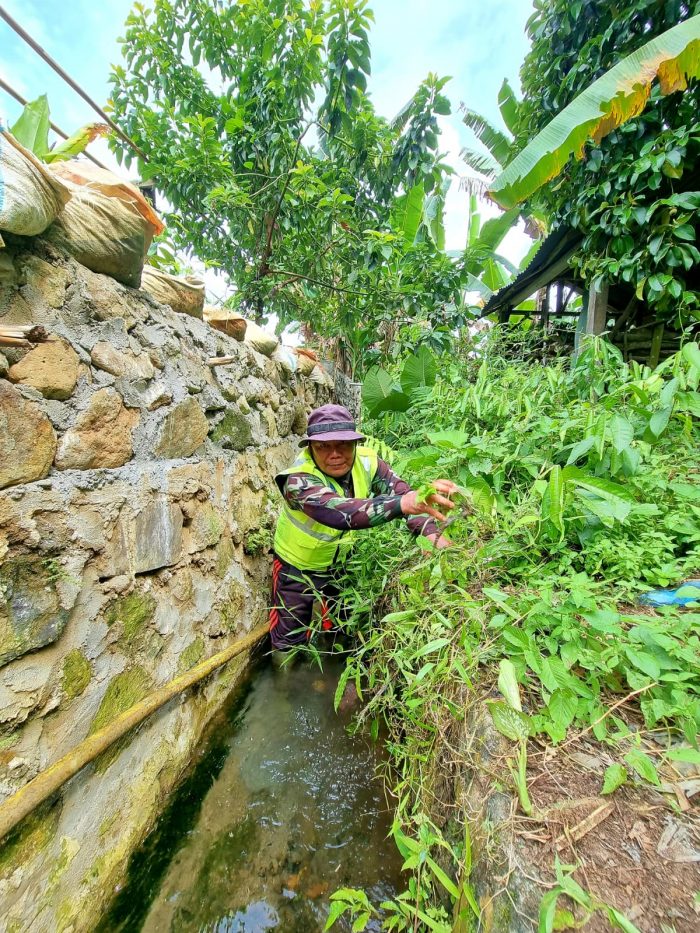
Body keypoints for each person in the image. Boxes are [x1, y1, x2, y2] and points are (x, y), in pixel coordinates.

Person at [269, 403, 458, 653]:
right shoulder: (296, 480)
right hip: (296, 566)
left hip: (343, 566)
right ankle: (287, 685)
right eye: (323, 446)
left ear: (355, 443)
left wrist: (431, 535)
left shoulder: (369, 462)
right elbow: (339, 512)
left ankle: (332, 671)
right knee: (287, 641)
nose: (334, 454)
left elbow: (404, 495)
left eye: (343, 444)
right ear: (311, 448)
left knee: (345, 628)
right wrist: (404, 503)